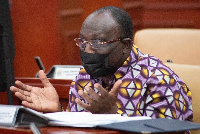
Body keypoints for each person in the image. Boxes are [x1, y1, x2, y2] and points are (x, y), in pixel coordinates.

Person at [10, 6, 193, 121]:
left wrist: (114, 116)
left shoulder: (159, 82)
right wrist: (57, 112)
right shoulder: (85, 77)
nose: (88, 50)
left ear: (125, 45)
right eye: (83, 42)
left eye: (98, 43)